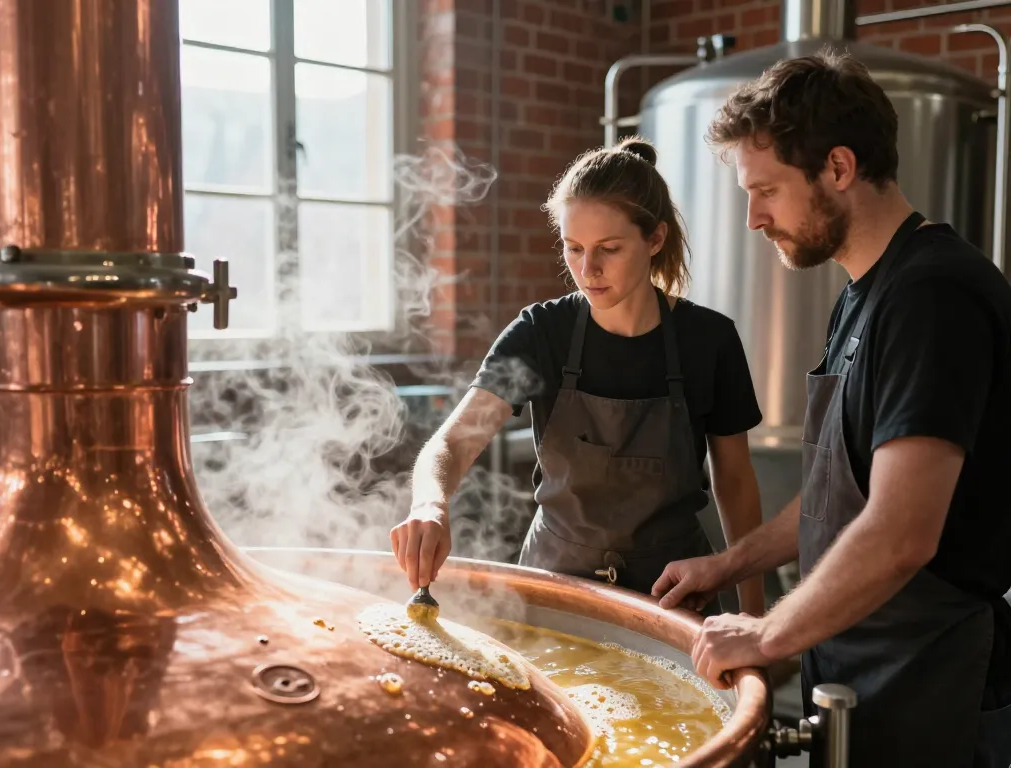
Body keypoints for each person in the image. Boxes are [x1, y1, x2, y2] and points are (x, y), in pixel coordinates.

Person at [652, 50, 1011, 768]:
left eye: (768, 190)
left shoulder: (932, 296)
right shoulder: (863, 294)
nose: (753, 219)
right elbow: (835, 497)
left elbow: (900, 531)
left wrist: (765, 634)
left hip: (934, 683)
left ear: (839, 169)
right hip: (859, 666)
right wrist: (729, 564)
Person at [390, 136, 766, 615]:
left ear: (655, 238)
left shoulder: (708, 340)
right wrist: (430, 504)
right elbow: (453, 443)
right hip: (556, 587)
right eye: (573, 248)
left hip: (674, 592)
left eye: (609, 248)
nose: (588, 270)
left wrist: (753, 615)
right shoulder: (541, 333)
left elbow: (734, 480)